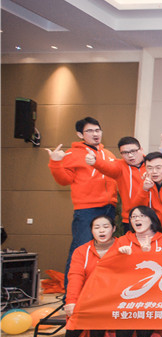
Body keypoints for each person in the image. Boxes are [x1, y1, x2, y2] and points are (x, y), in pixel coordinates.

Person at [46, 116, 117, 286]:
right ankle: (71, 294)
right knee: (81, 250)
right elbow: (64, 180)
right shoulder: (72, 154)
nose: (95, 134)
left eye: (97, 130)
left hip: (109, 208)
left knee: (105, 252)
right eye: (90, 131)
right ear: (80, 134)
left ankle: (96, 290)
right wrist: (55, 162)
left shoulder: (108, 154)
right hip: (87, 210)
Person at [112, 206, 162, 337]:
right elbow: (110, 266)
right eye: (133, 217)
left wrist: (151, 253)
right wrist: (119, 256)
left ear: (151, 219)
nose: (137, 219)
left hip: (156, 291)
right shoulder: (123, 241)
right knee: (125, 310)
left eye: (141, 216)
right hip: (128, 289)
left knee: (150, 309)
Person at [57, 214, 115, 337]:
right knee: (78, 310)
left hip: (112, 295)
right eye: (97, 227)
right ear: (91, 231)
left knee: (101, 308)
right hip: (87, 294)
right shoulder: (82, 251)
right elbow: (75, 277)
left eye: (106, 227)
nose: (101, 230)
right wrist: (71, 301)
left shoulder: (121, 248)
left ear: (114, 229)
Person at [87, 136, 147, 230]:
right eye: (125, 153)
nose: (130, 155)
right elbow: (107, 167)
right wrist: (95, 161)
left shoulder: (152, 164)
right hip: (131, 218)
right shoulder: (120, 166)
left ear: (141, 149)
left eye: (133, 151)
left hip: (154, 216)